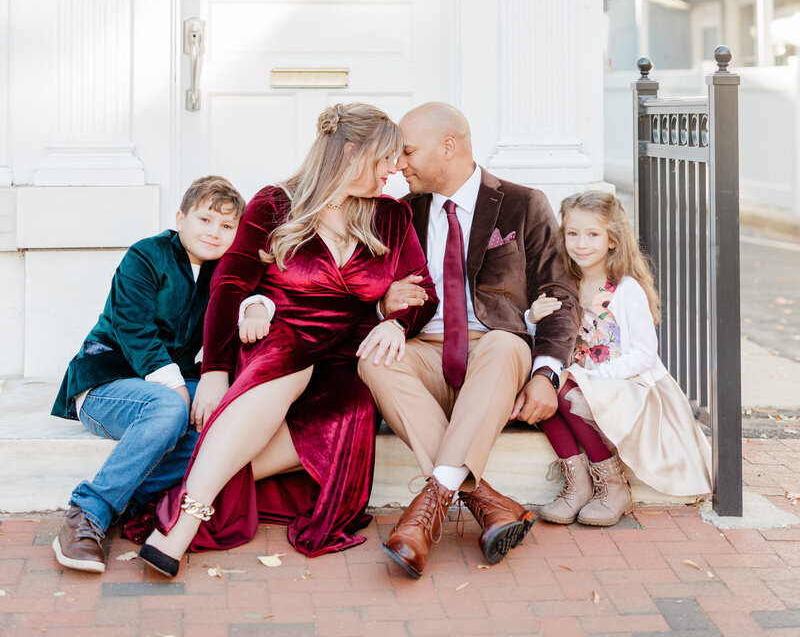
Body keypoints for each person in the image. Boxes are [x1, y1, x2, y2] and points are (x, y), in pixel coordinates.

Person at [136, 102, 438, 575]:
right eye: (385, 159)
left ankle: (184, 489)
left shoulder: (391, 217)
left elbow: (425, 293)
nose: (394, 169)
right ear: (352, 152)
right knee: (289, 356)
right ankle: (182, 525)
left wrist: (394, 321)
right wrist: (214, 369)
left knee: (352, 409)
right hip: (275, 339)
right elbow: (230, 284)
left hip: (344, 353)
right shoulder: (276, 203)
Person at [358, 102, 582, 578]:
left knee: (504, 344)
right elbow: (364, 286)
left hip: (493, 356)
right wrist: (383, 308)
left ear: (448, 147)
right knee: (375, 359)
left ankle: (426, 513)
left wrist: (547, 373)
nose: (399, 163)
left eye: (408, 151)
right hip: (425, 352)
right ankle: (485, 501)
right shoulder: (399, 214)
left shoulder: (524, 203)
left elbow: (559, 293)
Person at [51, 175, 246, 572]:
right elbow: (134, 330)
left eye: (227, 226)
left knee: (234, 426)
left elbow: (256, 300)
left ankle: (130, 494)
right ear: (181, 218)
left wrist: (259, 306)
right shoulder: (146, 255)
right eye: (205, 220)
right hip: (107, 383)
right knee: (169, 408)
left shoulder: (224, 273)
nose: (214, 232)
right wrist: (178, 388)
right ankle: (87, 512)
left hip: (168, 388)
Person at [536, 190, 712, 526]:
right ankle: (579, 484)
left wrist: (593, 378)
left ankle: (614, 486)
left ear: (613, 240)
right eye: (572, 234)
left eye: (593, 234)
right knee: (542, 391)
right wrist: (534, 315)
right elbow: (548, 334)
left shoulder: (625, 289)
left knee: (566, 394)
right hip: (581, 379)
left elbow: (644, 354)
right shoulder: (564, 284)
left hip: (624, 383)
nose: (581, 244)